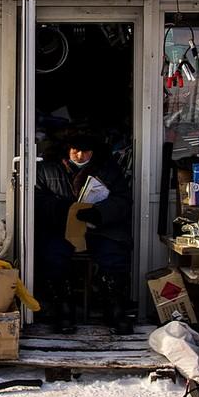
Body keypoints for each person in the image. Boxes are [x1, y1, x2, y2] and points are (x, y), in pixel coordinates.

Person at [34, 132, 134, 335]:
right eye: (75, 150)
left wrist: (99, 213)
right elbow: (37, 198)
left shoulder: (108, 168)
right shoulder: (46, 168)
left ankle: (113, 307)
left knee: (114, 253)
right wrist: (62, 209)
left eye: (86, 151)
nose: (80, 155)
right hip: (62, 228)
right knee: (52, 254)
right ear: (67, 149)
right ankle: (63, 307)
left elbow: (123, 200)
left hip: (100, 228)